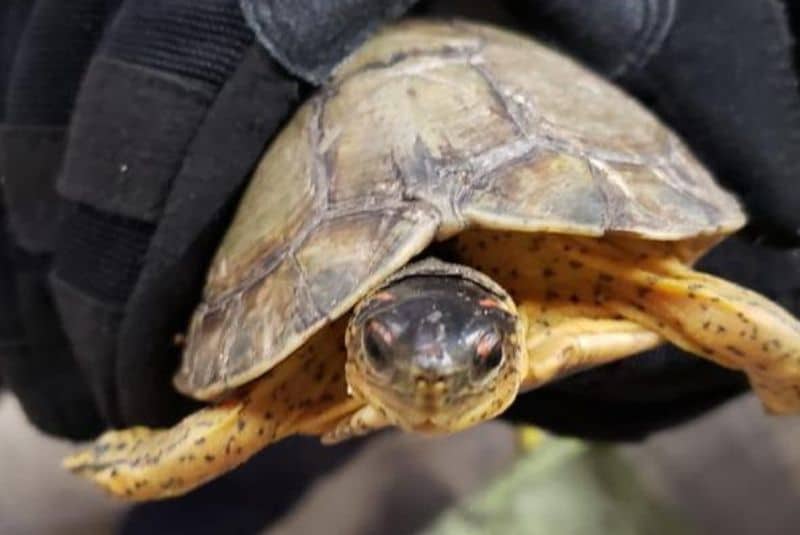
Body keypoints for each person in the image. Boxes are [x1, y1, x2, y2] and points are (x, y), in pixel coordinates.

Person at [1, 0, 799, 527]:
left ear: (505, 335)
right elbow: (243, 416)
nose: (432, 381)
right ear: (358, 339)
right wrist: (159, 462)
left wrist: (782, 368)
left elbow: (712, 308)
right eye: (383, 352)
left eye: (483, 358)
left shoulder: (587, 270)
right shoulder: (595, 287)